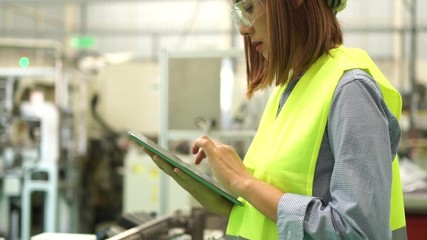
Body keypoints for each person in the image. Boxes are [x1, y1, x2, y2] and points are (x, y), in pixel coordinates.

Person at [145, 0, 407, 239]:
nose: (243, 30)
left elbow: (358, 233)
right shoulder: (286, 92)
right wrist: (228, 198)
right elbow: (277, 208)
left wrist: (244, 182)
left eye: (249, 8)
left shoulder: (350, 90)